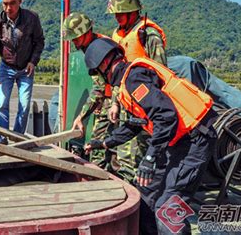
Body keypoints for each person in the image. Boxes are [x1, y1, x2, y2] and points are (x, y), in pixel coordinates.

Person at [83, 38, 218, 234]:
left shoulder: (133, 79)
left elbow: (166, 116)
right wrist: (105, 142)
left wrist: (149, 158)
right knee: (145, 194)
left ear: (104, 64)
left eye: (97, 73)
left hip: (195, 140)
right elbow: (136, 124)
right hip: (177, 141)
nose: (100, 78)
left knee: (168, 207)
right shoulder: (128, 82)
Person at [106, 0, 168, 170]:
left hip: (146, 105)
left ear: (133, 12)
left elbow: (161, 74)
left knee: (144, 156)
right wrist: (115, 103)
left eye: (121, 14)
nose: (117, 18)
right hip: (127, 104)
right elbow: (117, 75)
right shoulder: (118, 35)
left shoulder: (148, 35)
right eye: (115, 14)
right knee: (124, 157)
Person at [0, 0, 45, 144]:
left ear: (20, 2)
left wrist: (33, 61)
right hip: (5, 67)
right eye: (5, 4)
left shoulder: (32, 18)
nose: (8, 8)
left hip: (26, 68)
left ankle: (17, 139)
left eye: (12, 3)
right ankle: (1, 138)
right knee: (1, 104)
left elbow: (39, 41)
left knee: (24, 106)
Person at [62, 12, 117, 168]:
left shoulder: (100, 47)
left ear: (87, 33)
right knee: (98, 145)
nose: (74, 42)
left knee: (116, 151)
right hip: (107, 100)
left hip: (117, 101)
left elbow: (99, 88)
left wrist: (81, 115)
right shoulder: (90, 47)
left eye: (77, 38)